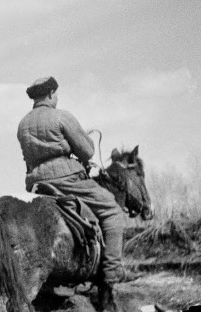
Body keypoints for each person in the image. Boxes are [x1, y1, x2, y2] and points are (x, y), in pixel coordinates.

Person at [16, 76, 126, 284]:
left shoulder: (23, 124)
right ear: (51, 94)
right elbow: (87, 151)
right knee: (112, 211)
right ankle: (112, 271)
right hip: (66, 179)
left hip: (36, 184)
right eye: (55, 93)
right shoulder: (62, 117)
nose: (56, 97)